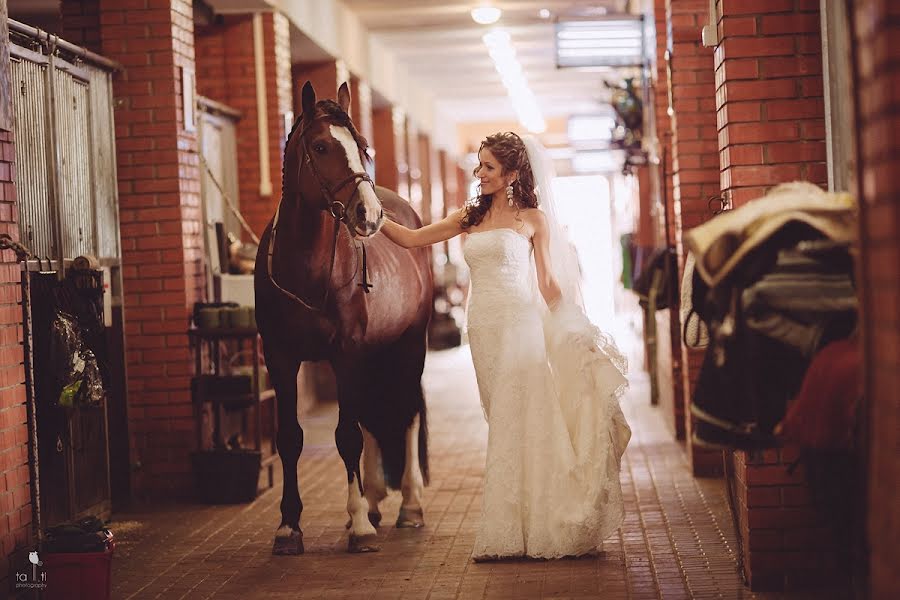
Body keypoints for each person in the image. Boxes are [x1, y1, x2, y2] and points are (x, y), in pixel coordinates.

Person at [380, 132, 631, 560]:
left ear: (512, 173)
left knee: (523, 419)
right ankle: (518, 523)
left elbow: (549, 283)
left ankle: (522, 529)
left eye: (488, 167)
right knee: (503, 420)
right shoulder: (469, 217)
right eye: (479, 165)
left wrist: (575, 328)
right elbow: (410, 239)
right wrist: (370, 215)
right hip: (483, 330)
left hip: (520, 328)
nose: (479, 173)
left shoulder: (533, 219)